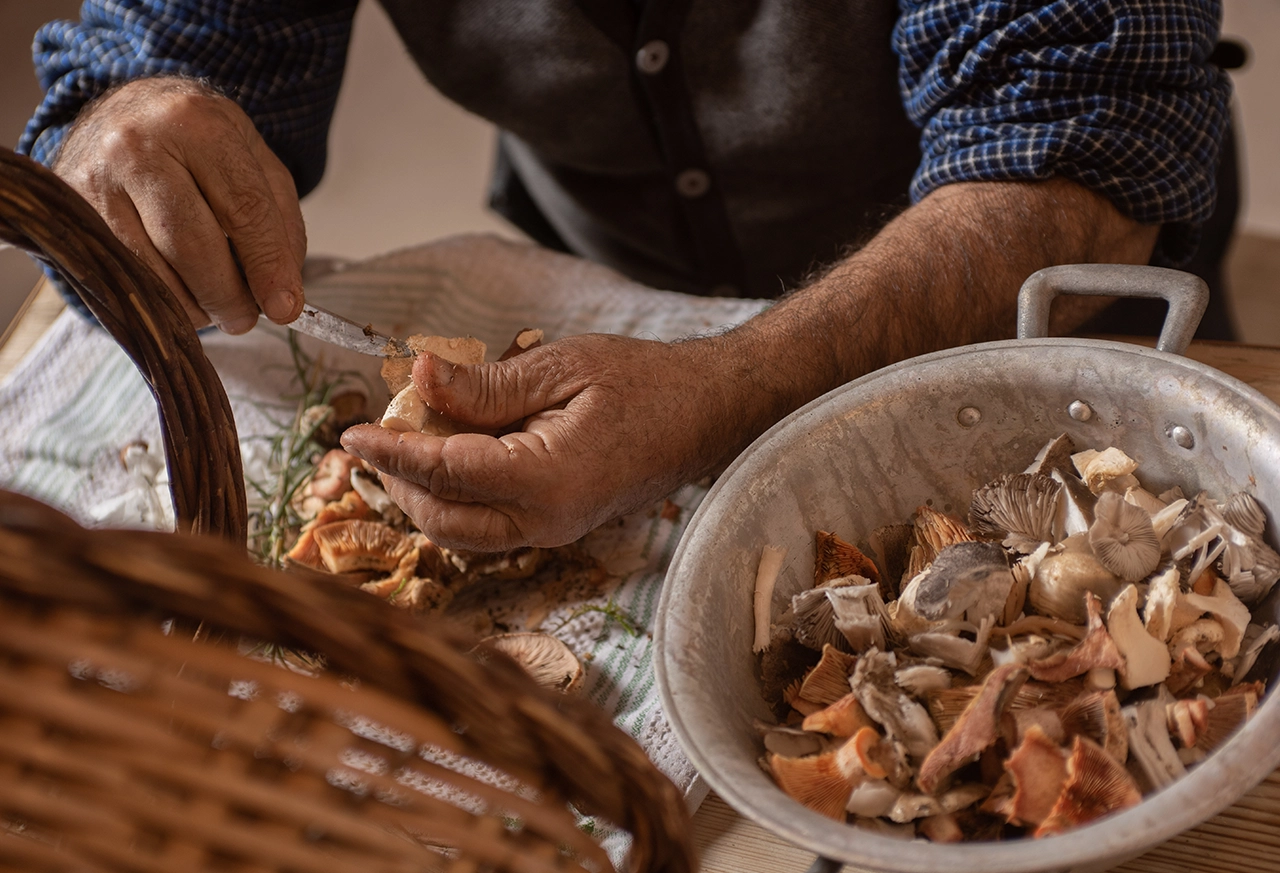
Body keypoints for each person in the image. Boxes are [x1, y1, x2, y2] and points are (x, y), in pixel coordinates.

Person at [21, 1, 1232, 551]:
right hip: (593, 264)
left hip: (1049, 337)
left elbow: (1075, 158)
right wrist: (117, 134)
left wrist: (715, 390)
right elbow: (133, 80)